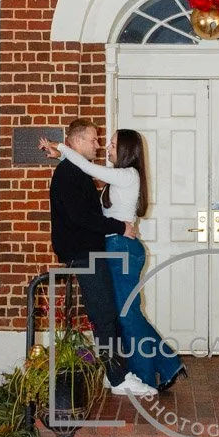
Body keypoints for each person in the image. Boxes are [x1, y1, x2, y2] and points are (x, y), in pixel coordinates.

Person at [44, 127, 186, 393]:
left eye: (109, 143)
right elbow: (85, 202)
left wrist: (62, 150)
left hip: (121, 248)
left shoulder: (125, 175)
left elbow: (87, 172)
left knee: (124, 315)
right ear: (77, 141)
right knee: (121, 315)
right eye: (97, 140)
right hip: (112, 246)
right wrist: (63, 154)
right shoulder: (109, 176)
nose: (102, 146)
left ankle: (144, 374)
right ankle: (157, 367)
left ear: (124, 150)